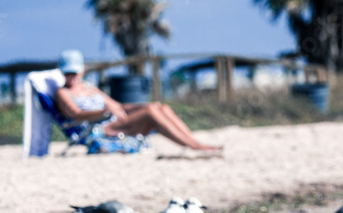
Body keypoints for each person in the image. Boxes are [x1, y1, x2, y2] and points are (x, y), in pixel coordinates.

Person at [54, 50, 222, 153]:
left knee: (160, 107)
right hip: (96, 130)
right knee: (150, 113)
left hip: (113, 121)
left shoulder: (89, 88)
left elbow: (117, 107)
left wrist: (144, 105)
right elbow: (75, 114)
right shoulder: (63, 92)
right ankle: (194, 146)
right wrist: (104, 113)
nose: (71, 76)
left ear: (82, 70)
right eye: (67, 73)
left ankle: (193, 142)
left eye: (74, 72)